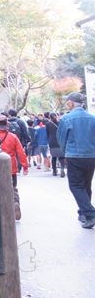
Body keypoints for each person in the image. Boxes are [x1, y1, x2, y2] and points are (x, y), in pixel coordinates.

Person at [57, 92, 95, 229]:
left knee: (76, 186)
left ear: (71, 103)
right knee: (86, 185)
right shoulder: (92, 118)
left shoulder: (66, 119)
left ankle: (90, 214)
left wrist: (65, 153)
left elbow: (61, 139)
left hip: (74, 155)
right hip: (91, 156)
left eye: (68, 101)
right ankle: (83, 213)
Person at [0, 113, 28, 220]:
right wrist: (25, 166)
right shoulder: (13, 137)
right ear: (7, 124)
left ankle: (3, 209)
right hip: (11, 168)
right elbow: (21, 152)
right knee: (13, 188)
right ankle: (15, 203)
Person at [45, 112, 64, 177]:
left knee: (54, 157)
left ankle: (54, 171)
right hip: (60, 141)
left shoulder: (47, 124)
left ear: (49, 117)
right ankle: (62, 169)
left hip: (52, 142)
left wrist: (48, 141)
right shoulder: (60, 123)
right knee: (61, 157)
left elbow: (47, 134)